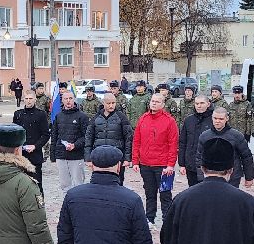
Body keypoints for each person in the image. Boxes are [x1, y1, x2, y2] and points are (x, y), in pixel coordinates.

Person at [133, 93, 179, 226]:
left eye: (157, 102)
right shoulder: (143, 118)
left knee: (165, 194)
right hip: (146, 165)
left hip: (164, 167)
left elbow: (173, 144)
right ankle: (149, 219)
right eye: (152, 101)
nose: (154, 103)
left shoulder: (169, 121)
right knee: (150, 194)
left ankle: (167, 221)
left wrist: (171, 165)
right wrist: (135, 161)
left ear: (163, 105)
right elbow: (137, 141)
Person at [196, 105, 254, 186]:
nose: (217, 121)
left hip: (232, 177)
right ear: (212, 118)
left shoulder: (236, 136)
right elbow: (199, 158)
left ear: (227, 119)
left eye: (221, 119)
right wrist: (201, 177)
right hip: (210, 176)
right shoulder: (204, 136)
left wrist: (249, 177)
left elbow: (246, 157)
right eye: (215, 118)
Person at [85, 91, 132, 184]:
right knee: (98, 182)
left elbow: (128, 138)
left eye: (113, 103)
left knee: (117, 183)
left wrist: (127, 158)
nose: (111, 106)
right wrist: (88, 158)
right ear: (103, 103)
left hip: (117, 156)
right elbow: (89, 138)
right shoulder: (96, 117)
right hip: (99, 156)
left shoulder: (121, 117)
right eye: (108, 103)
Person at [50, 89, 90, 192]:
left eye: (70, 98)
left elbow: (86, 136)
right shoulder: (58, 116)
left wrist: (75, 145)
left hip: (76, 156)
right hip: (61, 155)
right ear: (62, 100)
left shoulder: (82, 117)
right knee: (64, 185)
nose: (68, 101)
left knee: (78, 185)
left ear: (74, 100)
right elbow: (54, 136)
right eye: (66, 99)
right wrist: (53, 155)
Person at [13, 91, 51, 192]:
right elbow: (14, 133)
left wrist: (36, 146)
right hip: (21, 155)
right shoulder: (18, 114)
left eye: (30, 99)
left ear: (35, 100)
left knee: (36, 184)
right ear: (23, 100)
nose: (28, 101)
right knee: (20, 184)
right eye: (26, 99)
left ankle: (39, 205)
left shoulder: (41, 114)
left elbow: (46, 134)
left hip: (35, 155)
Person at [178, 95, 215, 188]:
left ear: (208, 104)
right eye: (197, 103)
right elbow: (183, 142)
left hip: (209, 164)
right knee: (193, 190)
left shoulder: (214, 120)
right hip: (191, 163)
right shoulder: (188, 120)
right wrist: (182, 164)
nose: (199, 106)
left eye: (202, 103)